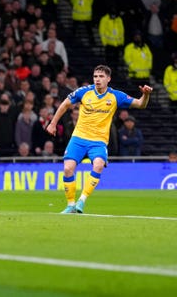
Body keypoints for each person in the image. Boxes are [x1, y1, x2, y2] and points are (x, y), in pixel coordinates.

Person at [46, 65, 152, 214]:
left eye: (101, 76)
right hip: (79, 138)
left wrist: (146, 95)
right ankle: (70, 204)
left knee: (98, 165)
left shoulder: (116, 96)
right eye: (95, 76)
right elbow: (65, 104)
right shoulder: (84, 92)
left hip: (98, 141)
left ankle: (81, 201)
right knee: (68, 168)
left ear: (108, 79)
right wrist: (53, 123)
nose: (97, 79)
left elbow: (141, 104)